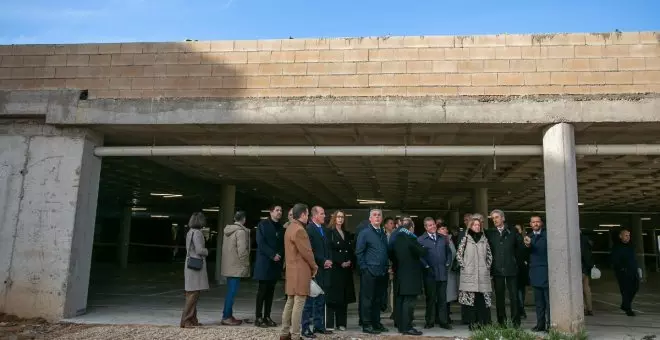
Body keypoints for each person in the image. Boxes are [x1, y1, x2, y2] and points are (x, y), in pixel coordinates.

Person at [279, 203, 318, 340]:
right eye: (307, 214)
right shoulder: (300, 230)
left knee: (290, 301)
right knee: (299, 303)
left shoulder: (289, 228)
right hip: (300, 271)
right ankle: (295, 335)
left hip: (291, 270)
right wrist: (314, 266)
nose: (308, 217)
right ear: (302, 215)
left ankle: (284, 333)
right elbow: (307, 252)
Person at [486, 209, 523, 326]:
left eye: (497, 217)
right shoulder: (490, 233)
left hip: (511, 269)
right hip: (497, 270)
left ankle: (516, 322)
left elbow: (520, 249)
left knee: (514, 297)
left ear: (503, 218)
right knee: (500, 298)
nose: (495, 220)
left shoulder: (513, 232)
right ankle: (501, 322)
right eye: (493, 218)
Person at [356, 208, 389, 335]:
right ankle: (366, 324)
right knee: (367, 299)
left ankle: (376, 323)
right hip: (370, 271)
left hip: (382, 272)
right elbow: (359, 252)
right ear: (370, 219)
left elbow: (385, 251)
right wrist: (364, 268)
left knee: (377, 299)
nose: (377, 217)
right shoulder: (365, 233)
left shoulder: (382, 233)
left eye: (379, 215)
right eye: (374, 215)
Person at [457, 216, 493, 331]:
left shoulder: (484, 239)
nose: (477, 227)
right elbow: (459, 255)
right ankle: (472, 323)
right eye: (474, 225)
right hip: (469, 274)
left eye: (478, 225)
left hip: (482, 274)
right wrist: (464, 266)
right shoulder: (466, 238)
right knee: (471, 301)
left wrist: (487, 267)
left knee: (482, 300)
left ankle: (483, 323)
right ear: (470, 226)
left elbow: (489, 255)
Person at [302, 206, 333, 337]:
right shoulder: (309, 230)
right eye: (321, 214)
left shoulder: (324, 230)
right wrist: (322, 261)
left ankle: (318, 325)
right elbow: (310, 250)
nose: (324, 216)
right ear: (314, 216)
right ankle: (305, 328)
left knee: (321, 299)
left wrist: (329, 260)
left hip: (325, 269)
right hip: (314, 269)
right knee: (310, 301)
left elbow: (328, 247)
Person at [392, 220, 426, 336]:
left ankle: (401, 326)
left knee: (401, 302)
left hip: (400, 274)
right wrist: (423, 247)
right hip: (411, 275)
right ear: (411, 227)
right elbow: (421, 251)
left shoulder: (397, 238)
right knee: (409, 302)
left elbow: (391, 253)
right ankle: (407, 327)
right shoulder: (410, 238)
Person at [418, 217, 452, 330]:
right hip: (430, 274)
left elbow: (449, 253)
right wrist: (426, 266)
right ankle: (430, 321)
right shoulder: (421, 240)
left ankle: (443, 322)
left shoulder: (443, 238)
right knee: (431, 299)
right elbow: (419, 256)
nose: (432, 227)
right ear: (425, 227)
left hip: (442, 273)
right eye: (429, 225)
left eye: (433, 224)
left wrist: (448, 263)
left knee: (442, 299)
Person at [253, 205, 285, 328]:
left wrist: (279, 255)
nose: (279, 212)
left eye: (281, 210)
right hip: (265, 262)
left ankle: (267, 316)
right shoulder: (263, 225)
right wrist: (272, 255)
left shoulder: (281, 228)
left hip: (275, 264)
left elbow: (282, 245)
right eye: (277, 210)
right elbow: (261, 243)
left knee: (271, 292)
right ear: (271, 212)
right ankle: (258, 317)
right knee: (262, 291)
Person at [326, 210, 356, 331]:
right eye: (338, 217)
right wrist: (340, 262)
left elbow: (350, 250)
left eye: (342, 217)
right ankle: (329, 324)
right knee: (333, 297)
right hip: (335, 269)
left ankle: (341, 323)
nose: (340, 219)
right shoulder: (329, 232)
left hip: (346, 270)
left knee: (344, 297)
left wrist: (349, 261)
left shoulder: (347, 233)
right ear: (334, 218)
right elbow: (329, 250)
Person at [220, 211, 251, 326]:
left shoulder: (227, 231)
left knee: (230, 291)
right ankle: (226, 316)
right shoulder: (240, 232)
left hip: (228, 265)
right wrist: (246, 264)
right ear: (244, 219)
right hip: (236, 266)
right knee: (232, 293)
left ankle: (228, 314)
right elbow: (242, 251)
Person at [180, 212, 210, 328]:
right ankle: (186, 320)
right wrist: (207, 251)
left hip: (190, 266)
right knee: (193, 294)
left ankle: (192, 319)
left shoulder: (190, 232)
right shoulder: (198, 233)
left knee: (192, 293)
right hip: (196, 267)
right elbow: (199, 250)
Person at [524, 215, 549, 332]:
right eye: (533, 222)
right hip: (534, 272)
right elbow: (525, 254)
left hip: (546, 271)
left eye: (537, 222)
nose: (535, 224)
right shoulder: (528, 237)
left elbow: (545, 249)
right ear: (530, 224)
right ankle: (540, 324)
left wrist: (531, 243)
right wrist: (527, 245)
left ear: (541, 223)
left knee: (548, 302)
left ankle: (550, 325)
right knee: (538, 303)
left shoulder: (547, 235)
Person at [611, 228, 640, 317]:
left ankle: (625, 305)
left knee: (635, 287)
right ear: (621, 236)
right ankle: (628, 309)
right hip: (623, 272)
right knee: (625, 291)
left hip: (633, 271)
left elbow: (633, 258)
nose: (628, 237)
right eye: (626, 235)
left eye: (629, 235)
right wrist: (621, 269)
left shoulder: (631, 246)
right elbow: (614, 260)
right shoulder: (616, 247)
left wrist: (637, 268)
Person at [515, 224, 530, 319]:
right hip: (522, 268)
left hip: (519, 269)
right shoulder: (523, 239)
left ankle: (520, 308)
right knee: (521, 290)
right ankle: (521, 308)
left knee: (518, 290)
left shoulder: (520, 240)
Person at [444, 226, 459, 324]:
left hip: (450, 272)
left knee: (448, 296)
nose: (444, 231)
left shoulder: (450, 240)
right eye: (441, 229)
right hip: (441, 272)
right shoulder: (438, 240)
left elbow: (454, 253)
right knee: (441, 296)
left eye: (445, 229)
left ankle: (446, 316)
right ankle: (440, 317)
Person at [580, 231, 594, 316]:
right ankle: (590, 308)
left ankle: (584, 308)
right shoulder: (587, 240)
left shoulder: (577, 240)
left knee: (578, 289)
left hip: (579, 267)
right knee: (586, 289)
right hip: (586, 268)